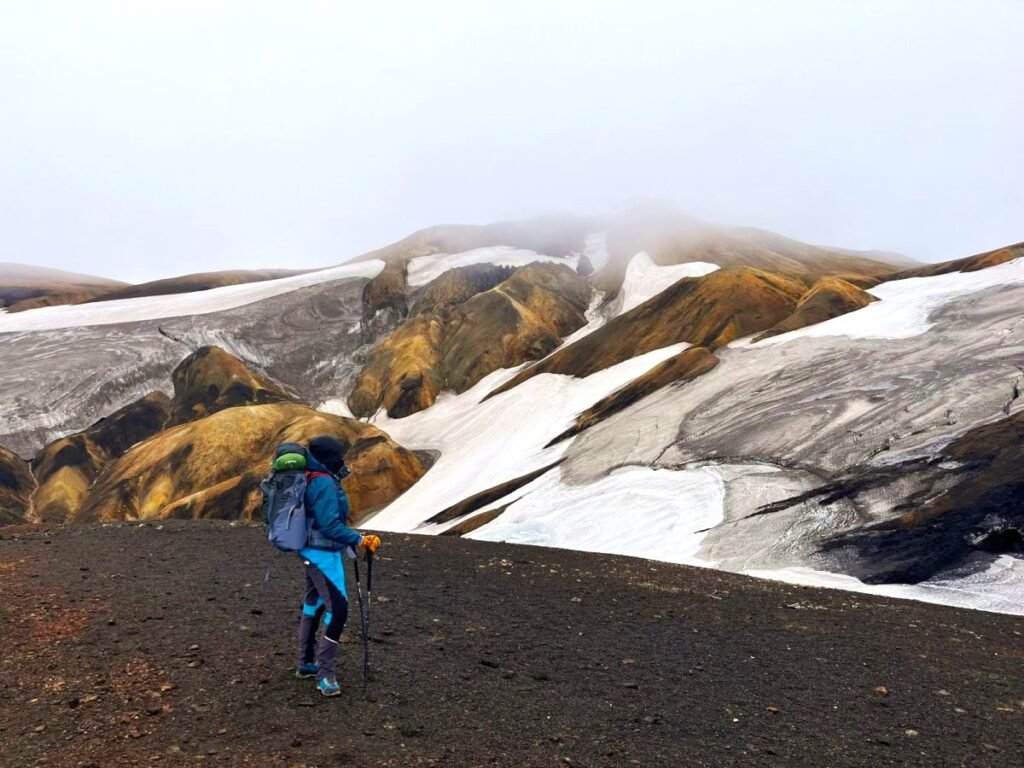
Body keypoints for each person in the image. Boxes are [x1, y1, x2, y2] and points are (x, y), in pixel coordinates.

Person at [295, 435, 381, 697]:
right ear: (328, 458)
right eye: (338, 455)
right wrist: (358, 539)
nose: (342, 460)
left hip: (310, 549)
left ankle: (306, 663)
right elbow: (329, 525)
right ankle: (325, 674)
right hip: (322, 554)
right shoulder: (323, 482)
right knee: (338, 609)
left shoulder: (313, 476)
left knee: (315, 604)